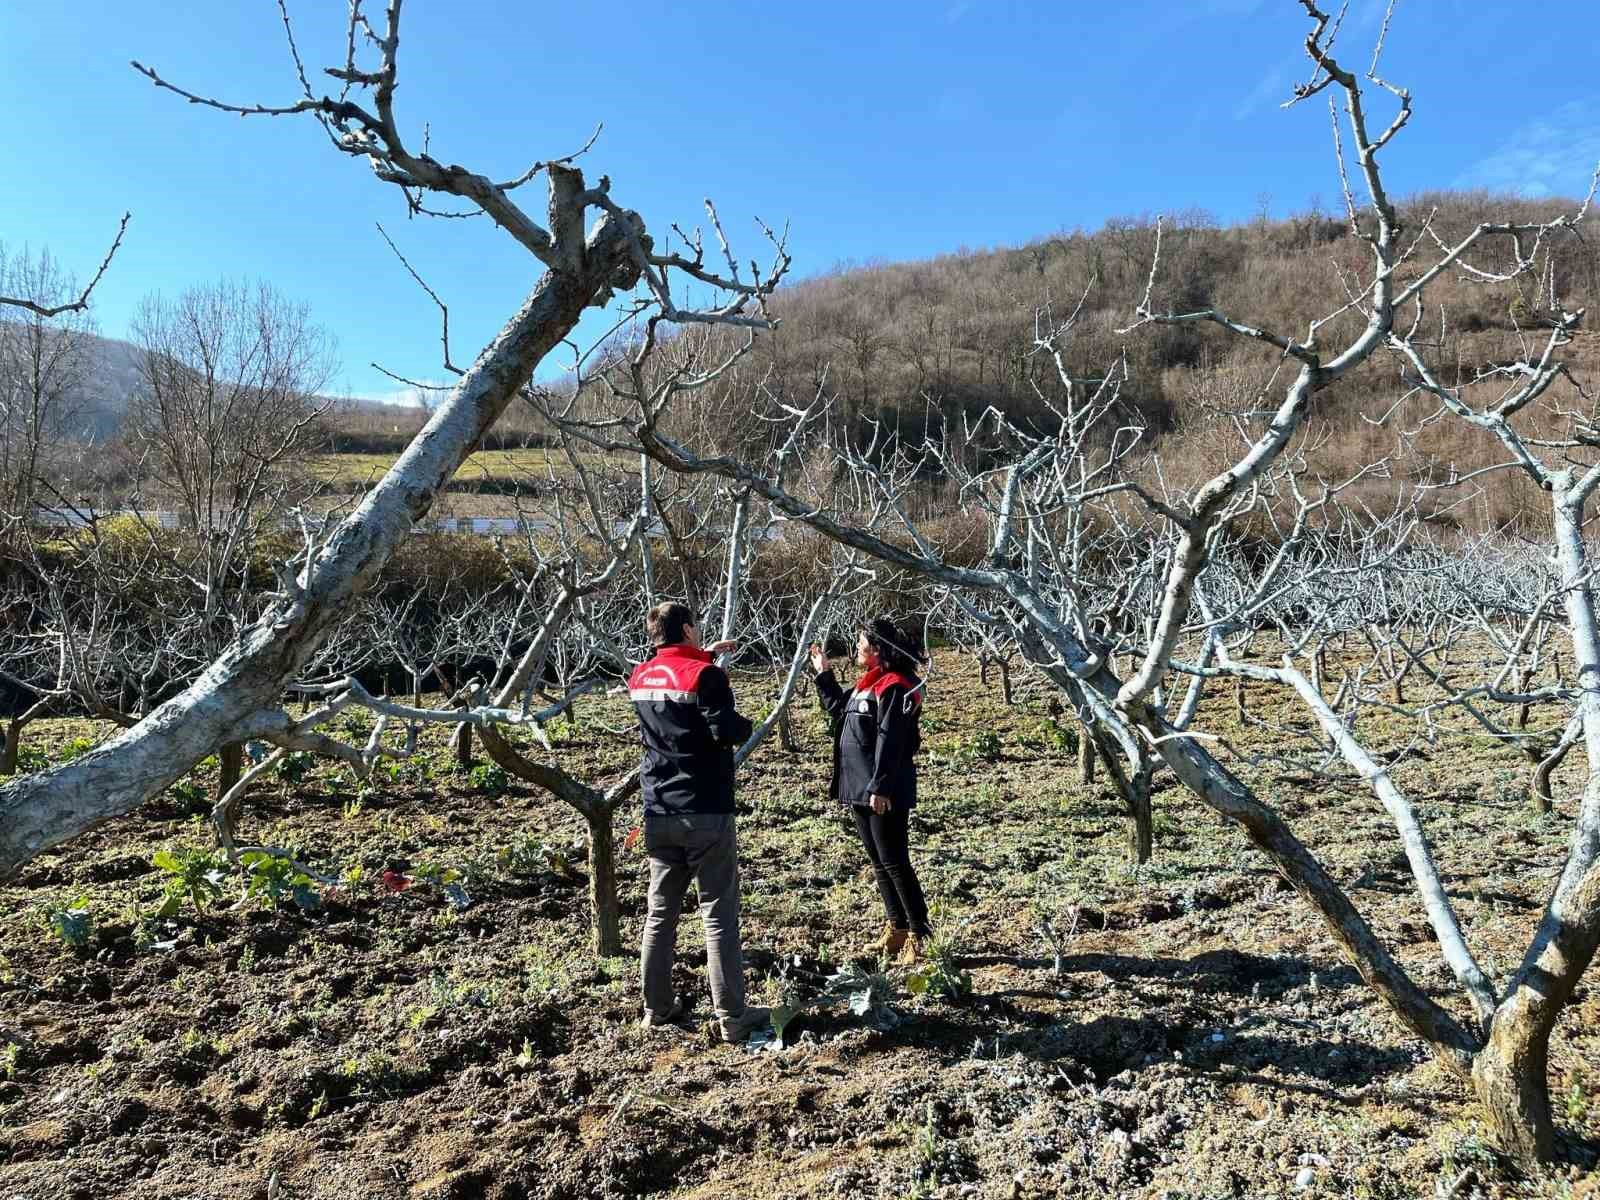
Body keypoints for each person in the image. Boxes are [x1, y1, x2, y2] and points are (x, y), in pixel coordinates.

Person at [630, 601, 769, 1043]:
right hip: (705, 807)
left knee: (660, 913)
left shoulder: (640, 676)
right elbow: (724, 728)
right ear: (688, 628)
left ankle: (656, 1007)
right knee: (718, 915)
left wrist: (704, 655)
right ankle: (732, 1015)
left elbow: (676, 691)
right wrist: (748, 725)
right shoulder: (707, 678)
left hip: (658, 809)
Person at [810, 617, 931, 964]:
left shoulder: (896, 686)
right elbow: (839, 710)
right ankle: (896, 928)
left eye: (861, 642)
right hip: (859, 787)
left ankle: (920, 934)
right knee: (879, 862)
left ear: (877, 650)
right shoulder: (868, 684)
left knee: (895, 861)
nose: (857, 647)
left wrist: (881, 786)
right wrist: (823, 673)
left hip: (882, 789)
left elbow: (890, 740)